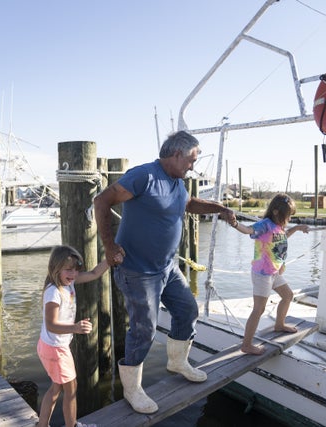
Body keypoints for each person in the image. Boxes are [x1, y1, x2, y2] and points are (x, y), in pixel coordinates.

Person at [92, 130, 238, 414]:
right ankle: (132, 388)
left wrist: (220, 207)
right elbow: (101, 201)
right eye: (191, 160)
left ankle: (177, 361)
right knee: (144, 330)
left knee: (187, 310)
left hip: (167, 268)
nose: (193, 166)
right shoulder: (144, 176)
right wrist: (109, 246)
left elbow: (189, 204)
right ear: (176, 154)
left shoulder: (177, 182)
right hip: (137, 271)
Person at [36, 246, 112, 427]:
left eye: (76, 269)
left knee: (56, 388)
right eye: (69, 269)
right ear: (56, 268)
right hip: (55, 349)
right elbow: (51, 325)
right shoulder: (53, 292)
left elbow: (94, 273)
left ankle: (42, 425)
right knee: (71, 389)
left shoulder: (68, 282)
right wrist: (75, 328)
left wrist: (110, 259)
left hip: (53, 346)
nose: (74, 273)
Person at [232, 193, 309, 355]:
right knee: (259, 309)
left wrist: (296, 228)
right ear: (276, 212)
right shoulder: (265, 224)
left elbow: (282, 237)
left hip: (274, 272)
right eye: (287, 216)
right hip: (262, 274)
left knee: (287, 296)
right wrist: (235, 223)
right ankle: (246, 344)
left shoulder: (279, 227)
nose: (288, 219)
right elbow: (247, 230)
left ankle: (279, 324)